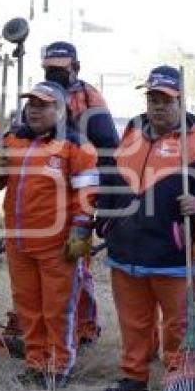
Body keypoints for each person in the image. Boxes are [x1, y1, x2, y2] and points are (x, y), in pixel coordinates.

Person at [96, 65, 195, 391]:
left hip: (172, 252)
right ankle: (133, 376)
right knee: (133, 320)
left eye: (165, 100)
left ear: (180, 102)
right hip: (125, 249)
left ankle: (177, 378)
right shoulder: (131, 134)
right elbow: (110, 178)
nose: (158, 106)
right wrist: (104, 222)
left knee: (177, 324)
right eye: (153, 99)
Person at [0, 81, 98, 388]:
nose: (35, 110)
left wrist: (80, 231)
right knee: (27, 307)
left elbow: (88, 195)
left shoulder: (76, 146)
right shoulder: (13, 139)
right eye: (32, 105)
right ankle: (35, 362)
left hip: (57, 244)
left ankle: (59, 366)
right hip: (19, 241)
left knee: (57, 309)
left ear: (61, 110)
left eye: (43, 105)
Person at [42, 41, 120, 346]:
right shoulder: (42, 94)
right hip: (48, 189)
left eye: (60, 69)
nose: (54, 73)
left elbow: (108, 151)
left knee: (76, 264)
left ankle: (84, 326)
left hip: (82, 187)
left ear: (75, 68)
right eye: (49, 68)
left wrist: (104, 201)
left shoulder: (90, 99)